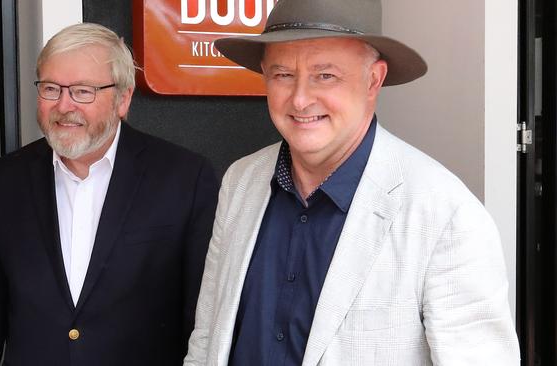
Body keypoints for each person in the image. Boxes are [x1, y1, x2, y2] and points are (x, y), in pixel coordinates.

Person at [184, 0, 520, 365]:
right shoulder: (240, 182)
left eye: (325, 75)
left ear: (373, 80)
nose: (299, 98)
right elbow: (207, 337)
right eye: (283, 75)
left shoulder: (445, 214)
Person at [0, 23, 218, 365]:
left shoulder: (184, 178)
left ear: (123, 99)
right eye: (51, 88)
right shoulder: (1, 182)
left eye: (82, 91)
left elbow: (204, 320)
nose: (64, 105)